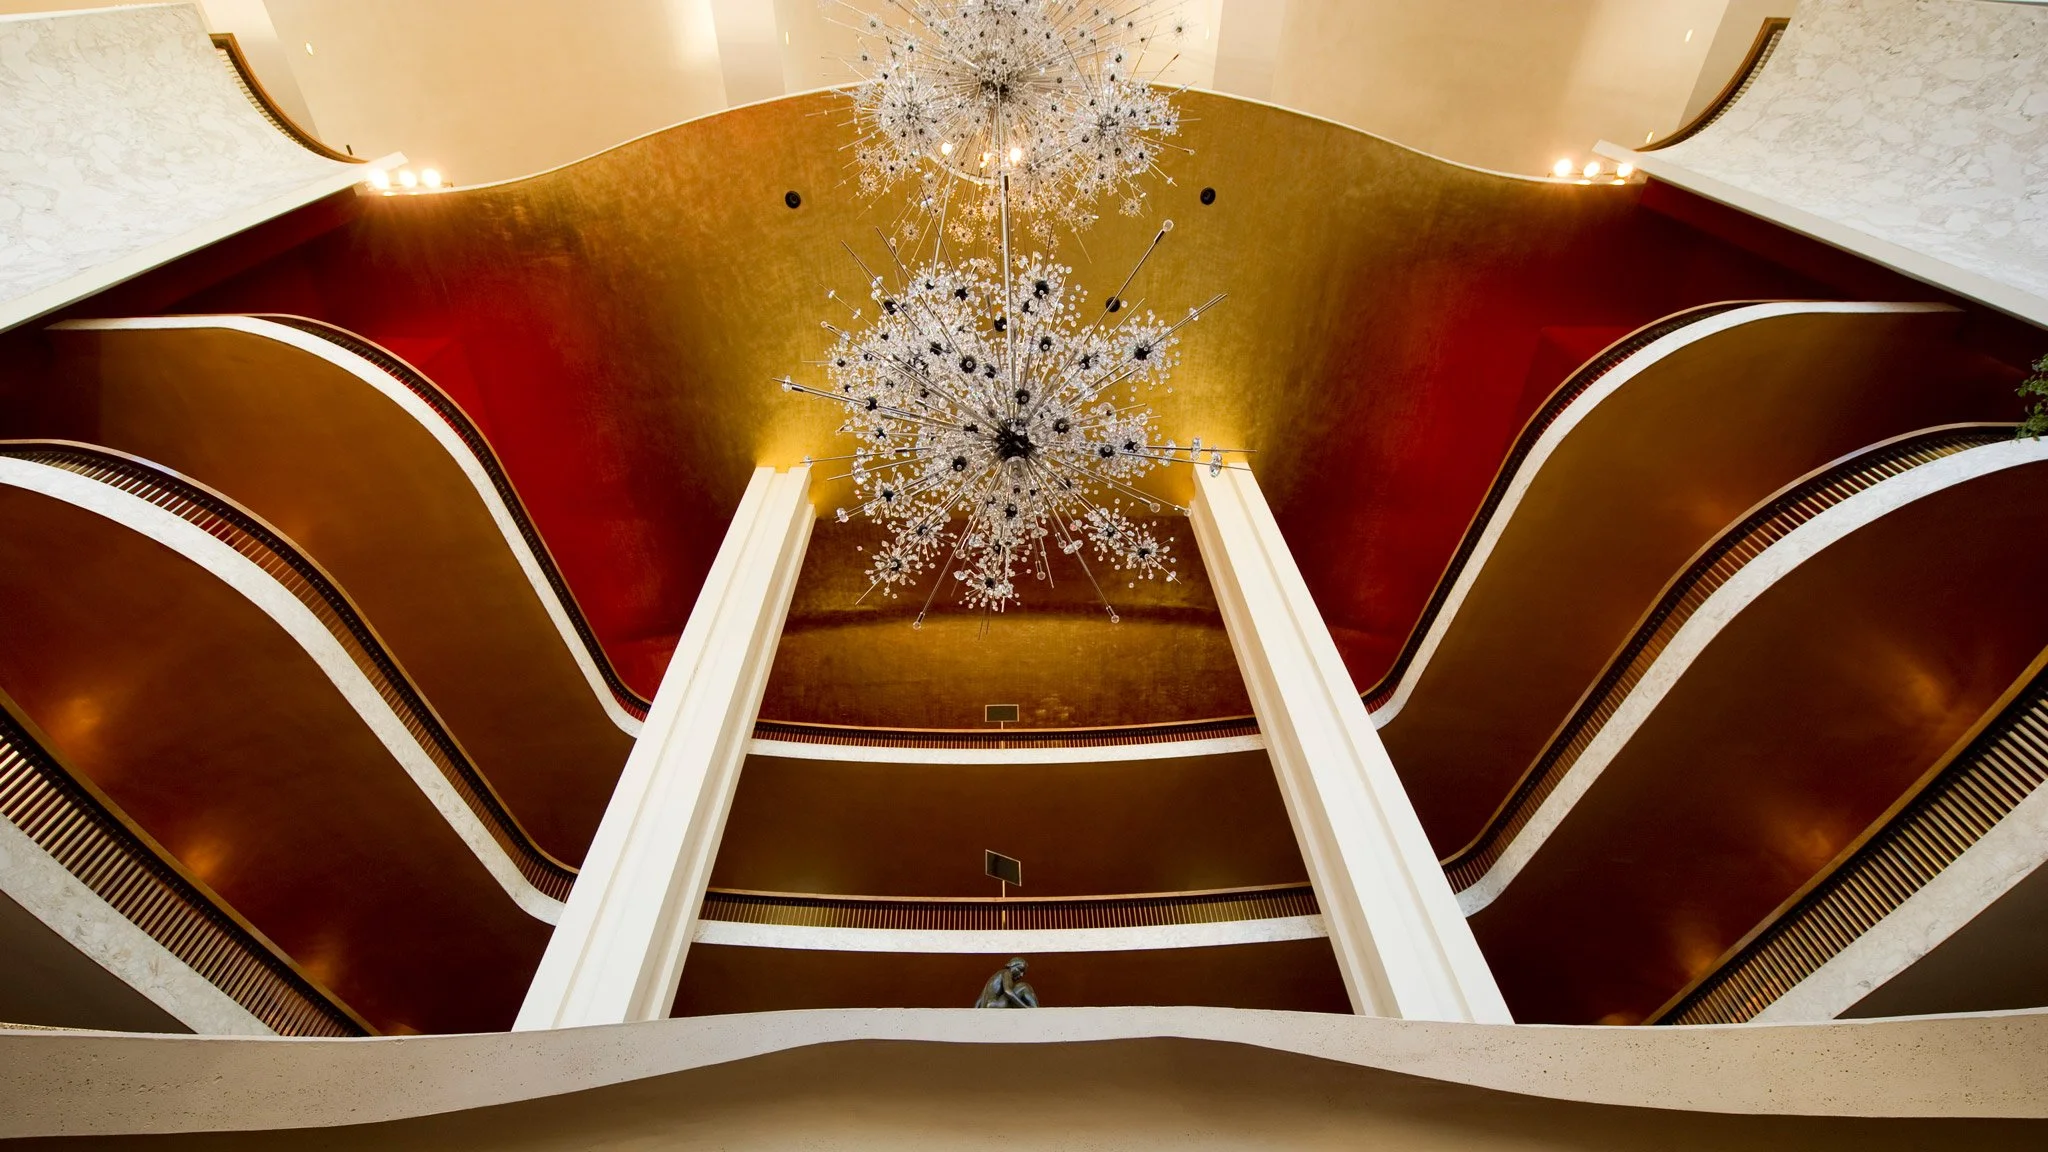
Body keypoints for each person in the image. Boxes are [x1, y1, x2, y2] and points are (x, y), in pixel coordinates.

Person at [974, 957, 1039, 1008]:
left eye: (1023, 973)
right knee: (1024, 986)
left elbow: (979, 1000)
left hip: (988, 1005)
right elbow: (1008, 991)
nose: (1021, 975)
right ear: (1012, 965)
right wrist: (1025, 1007)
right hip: (996, 1004)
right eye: (1020, 969)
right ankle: (1035, 1010)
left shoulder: (994, 977)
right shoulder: (1007, 972)